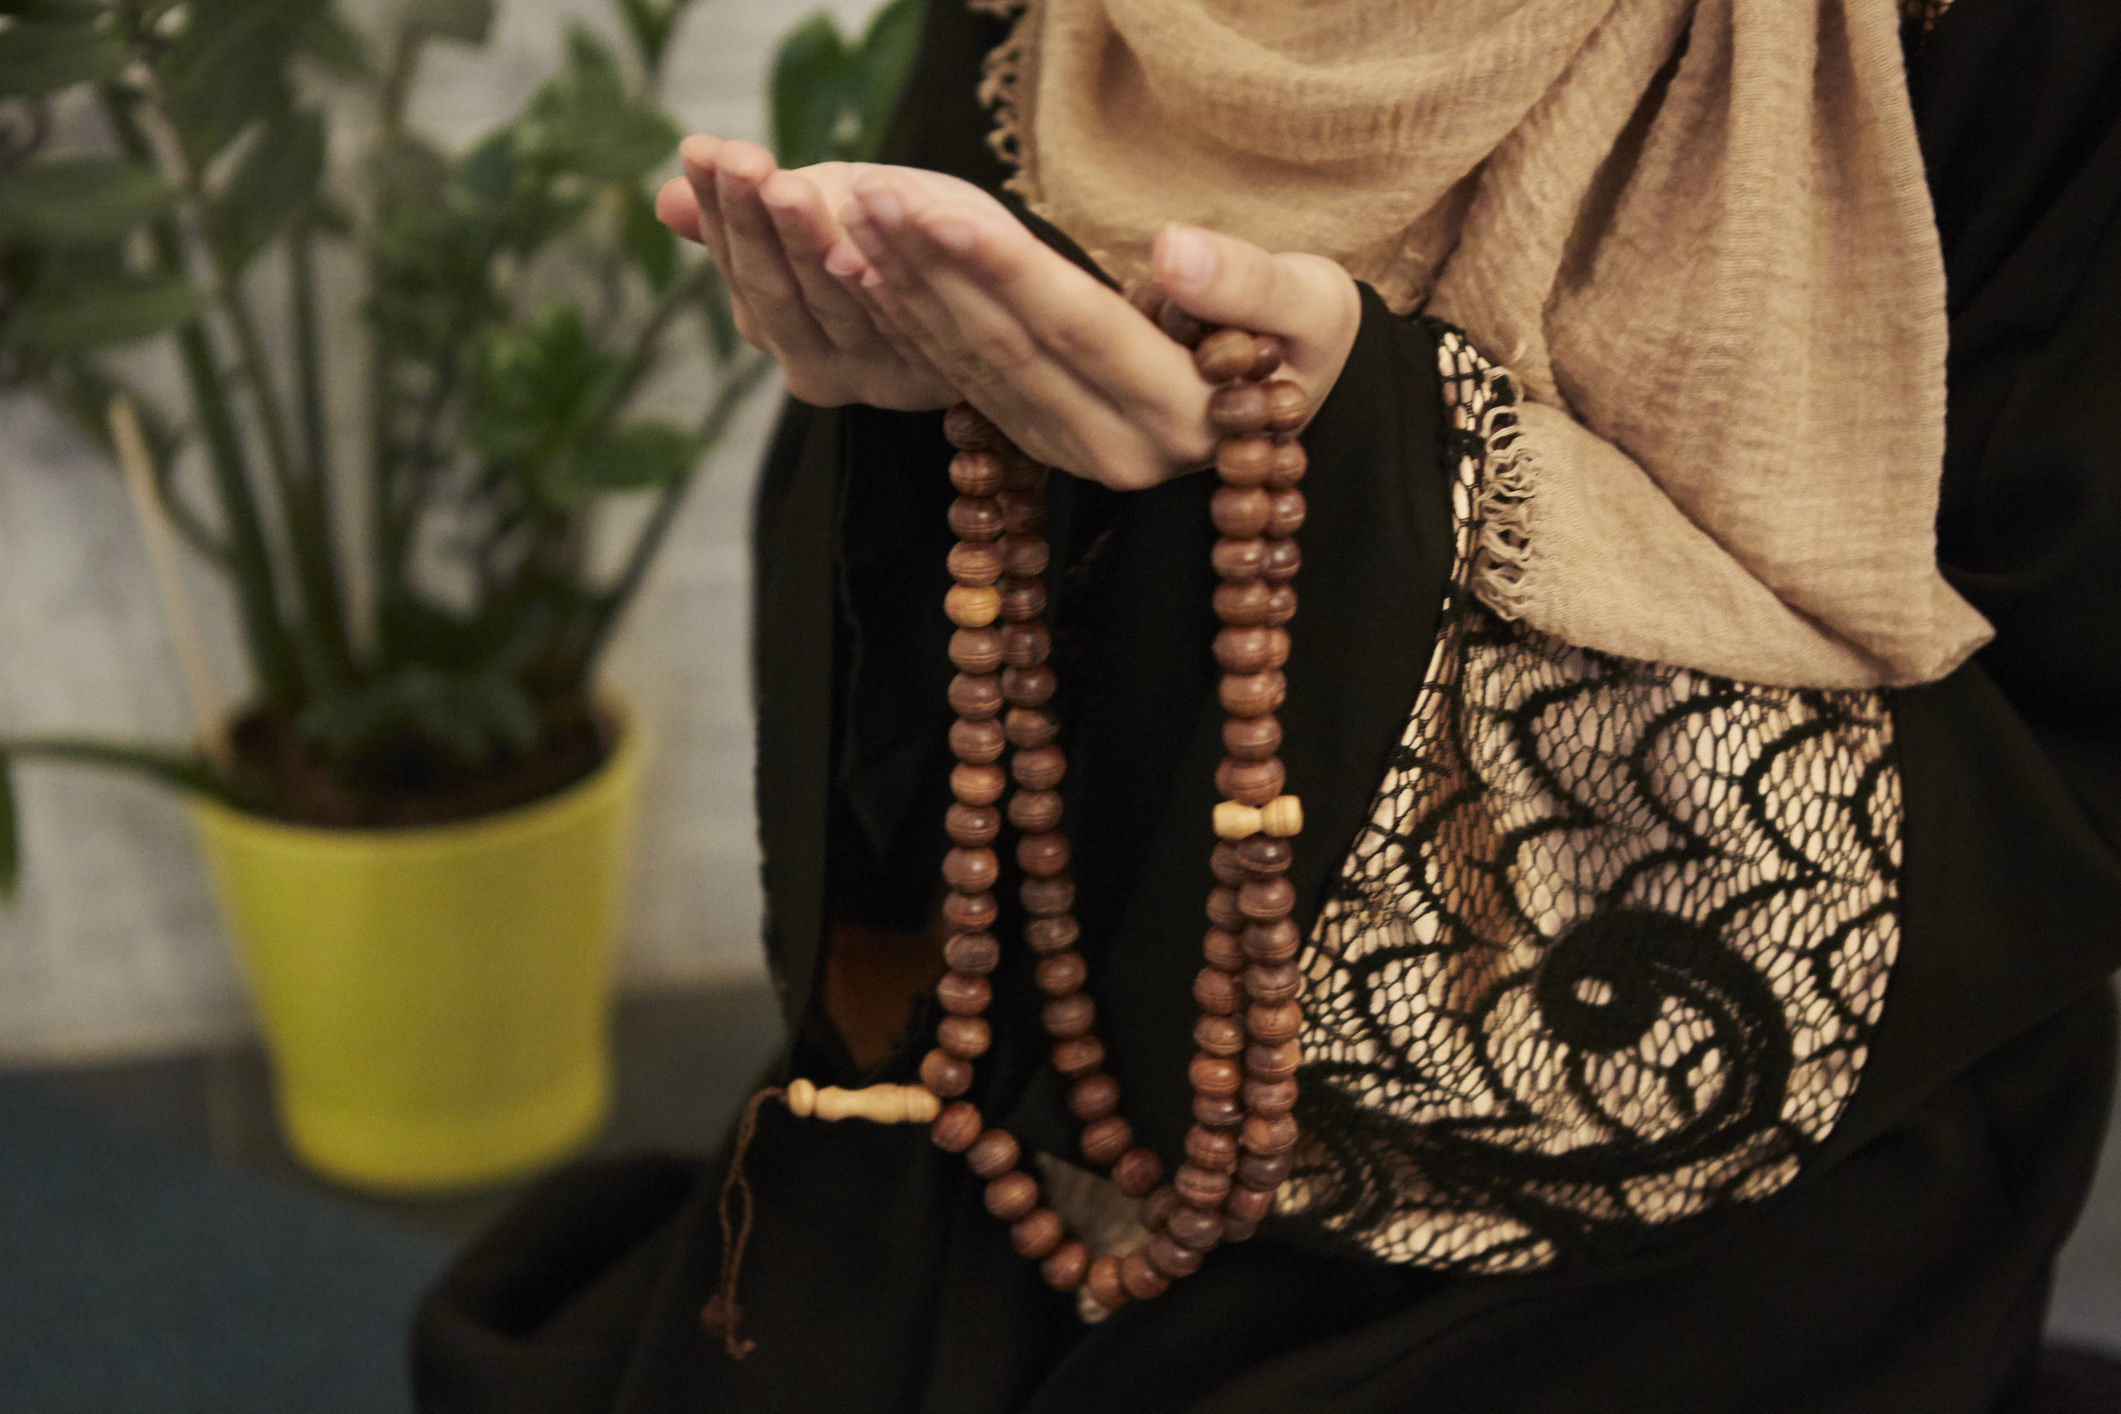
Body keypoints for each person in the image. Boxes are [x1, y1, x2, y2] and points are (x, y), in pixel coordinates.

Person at [411, 1, 2121, 1409]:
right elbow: (960, 504)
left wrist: (1365, 476)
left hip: (1734, 1173)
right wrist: (957, 423)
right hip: (1057, 1063)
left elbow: (2065, 750)